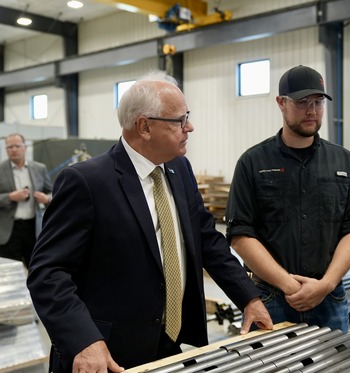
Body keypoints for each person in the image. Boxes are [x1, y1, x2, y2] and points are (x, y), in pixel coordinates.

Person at [26, 71, 272, 373]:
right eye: (180, 121)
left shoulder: (179, 169)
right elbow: (47, 273)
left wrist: (249, 298)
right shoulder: (87, 182)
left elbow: (207, 240)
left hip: (168, 345)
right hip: (106, 354)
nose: (190, 127)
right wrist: (83, 339)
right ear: (144, 126)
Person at [225, 65, 350, 333]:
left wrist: (324, 285)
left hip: (329, 298)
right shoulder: (252, 162)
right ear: (281, 103)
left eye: (317, 102)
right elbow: (241, 234)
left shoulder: (343, 161)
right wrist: (291, 286)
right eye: (302, 103)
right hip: (272, 300)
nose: (312, 111)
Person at [0, 133, 52, 267]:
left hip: (33, 229)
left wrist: (46, 199)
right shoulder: (1, 169)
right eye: (9, 147)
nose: (13, 149)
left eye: (17, 146)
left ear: (25, 147)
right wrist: (10, 197)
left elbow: (53, 192)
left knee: (36, 269)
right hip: (9, 232)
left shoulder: (39, 168)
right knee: (9, 272)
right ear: (6, 149)